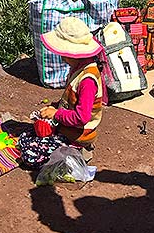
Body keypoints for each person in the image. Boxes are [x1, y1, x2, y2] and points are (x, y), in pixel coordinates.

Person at [36, 17, 105, 155]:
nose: (62, 58)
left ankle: (80, 150)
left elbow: (82, 117)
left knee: (31, 148)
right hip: (71, 128)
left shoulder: (87, 81)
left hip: (79, 134)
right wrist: (57, 106)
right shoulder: (79, 69)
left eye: (64, 55)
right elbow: (75, 101)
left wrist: (56, 114)